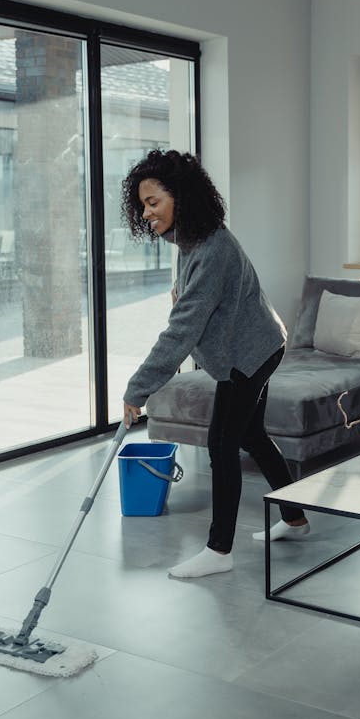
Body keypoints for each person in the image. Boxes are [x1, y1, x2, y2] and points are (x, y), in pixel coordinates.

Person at [121, 150, 309, 579]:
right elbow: (191, 297)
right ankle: (296, 518)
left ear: (181, 197)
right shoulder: (191, 239)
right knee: (253, 435)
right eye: (143, 205)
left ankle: (219, 550)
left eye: (153, 202)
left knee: (222, 444)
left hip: (252, 352)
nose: (147, 212)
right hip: (258, 342)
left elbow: (180, 332)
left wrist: (138, 389)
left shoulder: (214, 248)